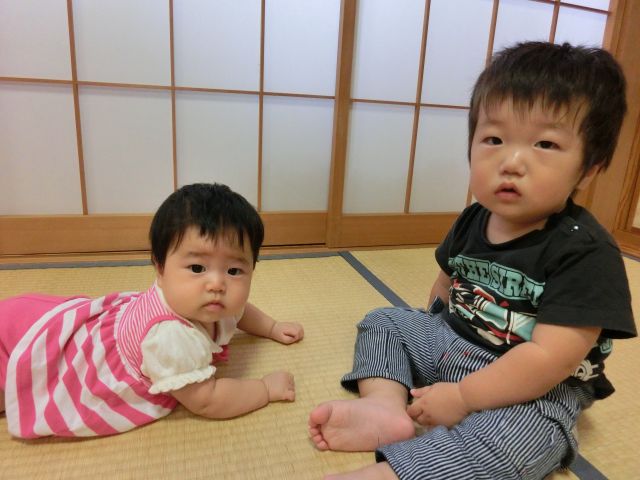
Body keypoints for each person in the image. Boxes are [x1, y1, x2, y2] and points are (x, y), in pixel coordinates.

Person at [309, 41, 637, 480]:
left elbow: (549, 360)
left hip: (532, 385)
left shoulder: (585, 252)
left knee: (523, 439)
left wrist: (463, 396)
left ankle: (406, 472)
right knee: (385, 321)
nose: (511, 162)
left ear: (590, 166)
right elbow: (446, 284)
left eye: (545, 143)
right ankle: (384, 408)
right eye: (494, 139)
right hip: (454, 343)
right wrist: (432, 342)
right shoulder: (474, 218)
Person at [0, 182, 304, 438]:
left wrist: (271, 327)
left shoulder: (208, 299)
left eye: (234, 271)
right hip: (60, 347)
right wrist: (264, 389)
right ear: (160, 268)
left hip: (58, 322)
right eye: (197, 268)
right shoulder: (170, 337)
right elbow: (206, 400)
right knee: (22, 382)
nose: (217, 284)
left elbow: (240, 312)